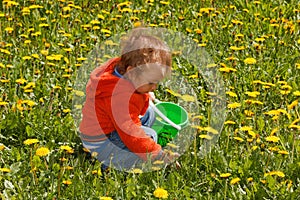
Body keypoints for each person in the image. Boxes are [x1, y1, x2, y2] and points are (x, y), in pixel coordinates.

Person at [79, 28, 176, 171]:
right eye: (150, 82)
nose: (154, 87)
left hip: (105, 129)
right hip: (101, 143)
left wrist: (145, 92)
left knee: (149, 112)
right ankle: (109, 163)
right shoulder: (119, 99)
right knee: (150, 135)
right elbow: (131, 133)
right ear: (131, 71)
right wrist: (157, 154)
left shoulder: (121, 70)